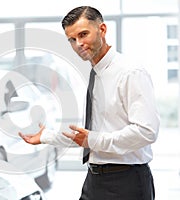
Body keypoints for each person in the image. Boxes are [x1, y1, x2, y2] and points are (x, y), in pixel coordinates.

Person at [19, 6, 160, 200]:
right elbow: (88, 133)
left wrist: (94, 140)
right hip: (94, 180)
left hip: (127, 182)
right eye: (72, 39)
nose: (78, 44)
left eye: (83, 34)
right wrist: (47, 136)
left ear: (102, 30)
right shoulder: (96, 74)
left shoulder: (130, 72)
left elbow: (147, 131)